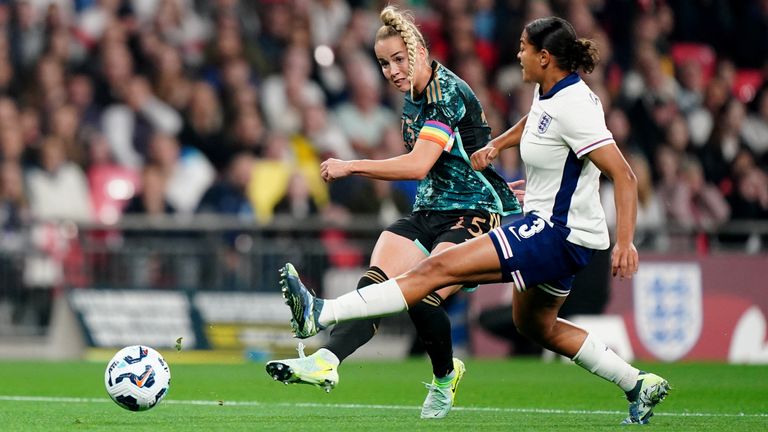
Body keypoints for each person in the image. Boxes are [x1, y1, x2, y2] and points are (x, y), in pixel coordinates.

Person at [279, 17, 670, 425]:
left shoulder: (571, 105)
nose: (516, 54)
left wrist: (625, 242)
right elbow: (537, 122)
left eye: (522, 47)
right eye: (384, 62)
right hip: (542, 225)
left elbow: (624, 175)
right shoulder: (551, 92)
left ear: (544, 56)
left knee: (433, 271)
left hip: (554, 232)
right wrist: (498, 146)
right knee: (535, 325)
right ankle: (637, 383)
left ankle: (321, 312)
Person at [265, 5, 521, 420]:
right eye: (383, 63)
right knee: (377, 288)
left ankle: (443, 377)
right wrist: (499, 181)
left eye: (399, 59)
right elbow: (457, 156)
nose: (392, 70)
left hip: (471, 213)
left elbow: (419, 164)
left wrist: (352, 165)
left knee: (421, 297)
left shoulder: (444, 94)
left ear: (419, 50)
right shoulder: (411, 100)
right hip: (430, 208)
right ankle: (325, 361)